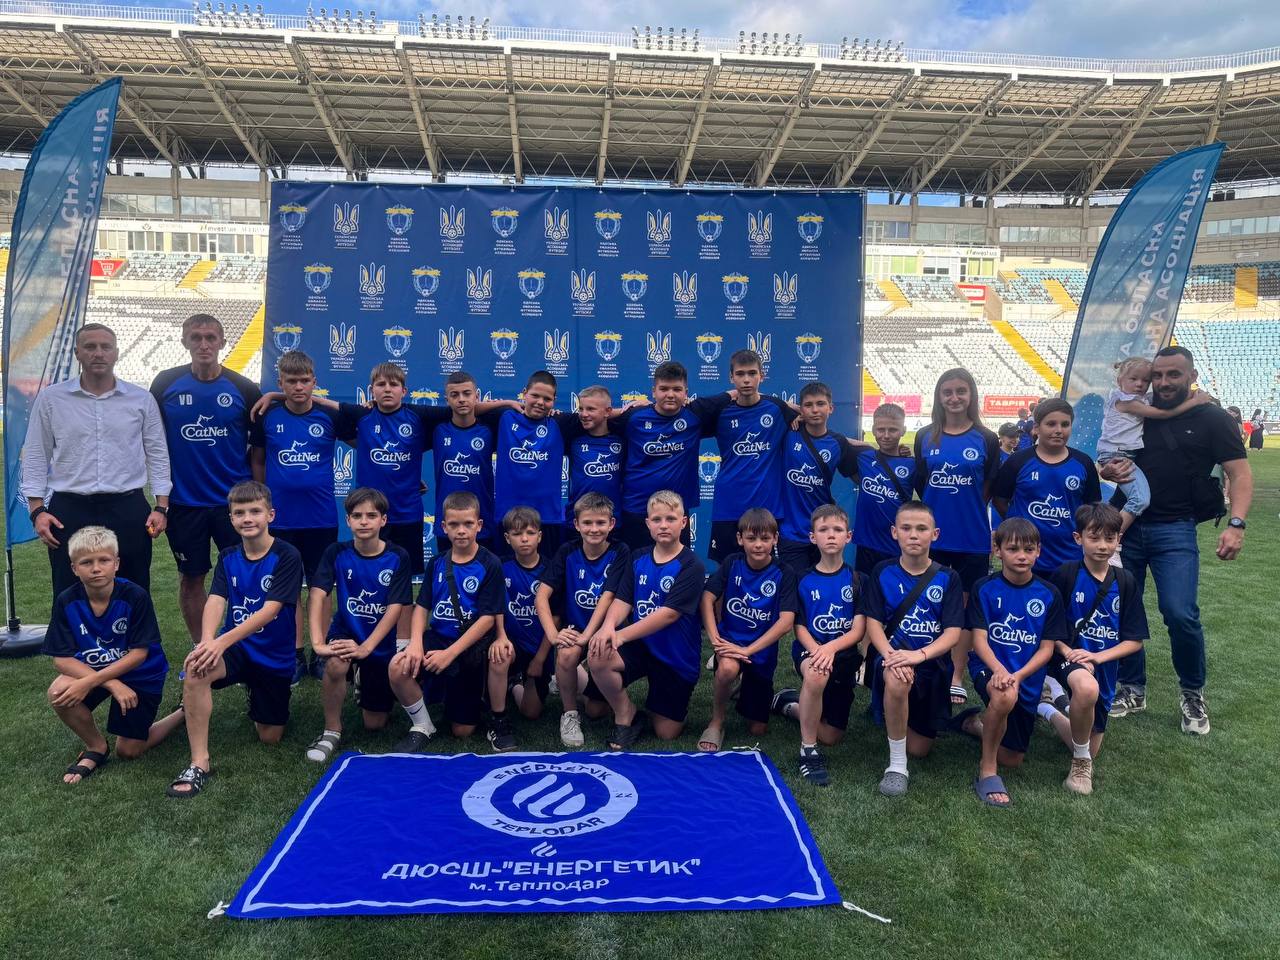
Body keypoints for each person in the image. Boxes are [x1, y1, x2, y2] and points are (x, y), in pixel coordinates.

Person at [1099, 347, 1253, 735]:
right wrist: (1108, 470)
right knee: (1122, 609)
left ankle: (1192, 692)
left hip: (1175, 528)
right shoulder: (1138, 405)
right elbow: (1110, 454)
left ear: (1192, 376)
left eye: (1174, 375)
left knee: (1180, 613)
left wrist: (1236, 524)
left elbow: (1239, 472)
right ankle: (1131, 687)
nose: (1164, 382)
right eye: (1158, 375)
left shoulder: (1213, 417)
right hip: (1127, 526)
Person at [164, 481, 304, 798]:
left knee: (270, 737)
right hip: (238, 650)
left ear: (270, 515)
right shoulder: (228, 556)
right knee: (197, 669)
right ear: (231, 518)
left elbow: (270, 611)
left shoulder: (287, 555)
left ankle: (256, 690)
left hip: (274, 656)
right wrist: (207, 641)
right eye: (239, 513)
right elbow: (216, 600)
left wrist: (220, 642)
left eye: (255, 511)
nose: (247, 518)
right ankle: (199, 762)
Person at [23, 323, 171, 597]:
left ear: (116, 353)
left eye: (105, 347)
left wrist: (161, 507)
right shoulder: (52, 399)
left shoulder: (140, 399)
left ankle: (132, 629)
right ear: (77, 353)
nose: (98, 353)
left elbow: (158, 454)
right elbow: (35, 454)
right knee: (69, 592)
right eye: (90, 347)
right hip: (70, 509)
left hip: (128, 508)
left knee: (133, 590)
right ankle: (73, 629)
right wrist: (37, 510)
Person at [150, 314, 261, 643]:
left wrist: (257, 496)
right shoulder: (165, 383)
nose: (203, 344)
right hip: (185, 504)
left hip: (234, 504)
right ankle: (202, 649)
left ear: (222, 342)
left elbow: (260, 445)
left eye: (210, 337)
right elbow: (149, 437)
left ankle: (239, 645)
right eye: (196, 337)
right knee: (191, 578)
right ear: (184, 341)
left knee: (243, 576)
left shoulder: (243, 387)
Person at [43, 526, 175, 784]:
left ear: (116, 564)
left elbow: (139, 655)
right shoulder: (67, 600)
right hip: (98, 670)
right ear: (74, 568)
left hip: (141, 674)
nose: (96, 569)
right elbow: (61, 659)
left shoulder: (135, 596)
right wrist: (111, 684)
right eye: (86, 562)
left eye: (103, 560)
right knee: (58, 692)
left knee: (129, 751)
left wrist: (93, 682)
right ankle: (96, 746)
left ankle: (182, 713)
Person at [249, 350, 350, 684]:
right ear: (281, 383)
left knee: (321, 588)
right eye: (291, 381)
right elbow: (258, 460)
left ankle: (321, 650)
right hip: (281, 520)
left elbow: (365, 437)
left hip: (321, 519)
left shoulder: (329, 416)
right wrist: (261, 498)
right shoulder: (267, 417)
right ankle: (294, 654)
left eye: (304, 380)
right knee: (287, 590)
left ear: (314, 382)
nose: (298, 387)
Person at [585, 490, 706, 749]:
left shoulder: (692, 565)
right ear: (648, 523)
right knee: (598, 659)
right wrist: (607, 627)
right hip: (642, 646)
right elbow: (622, 600)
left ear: (684, 522)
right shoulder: (638, 557)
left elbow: (669, 614)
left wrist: (620, 635)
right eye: (657, 519)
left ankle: (664, 703)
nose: (664, 525)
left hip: (675, 656)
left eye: (671, 519)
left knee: (666, 732)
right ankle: (625, 713)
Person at [1041, 503, 1148, 795]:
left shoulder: (1125, 581)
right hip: (1067, 657)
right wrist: (1068, 652)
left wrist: (1097, 657)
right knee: (1087, 690)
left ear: (1119, 540)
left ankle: (1048, 708)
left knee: (1090, 746)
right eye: (1094, 537)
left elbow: (1134, 640)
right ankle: (1079, 764)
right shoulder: (1065, 574)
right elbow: (1047, 628)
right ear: (1079, 538)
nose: (1102, 545)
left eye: (1109, 538)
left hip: (1102, 663)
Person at [304, 487, 412, 763]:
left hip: (379, 640)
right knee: (335, 663)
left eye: (371, 516)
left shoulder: (398, 556)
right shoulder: (336, 552)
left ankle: (363, 677)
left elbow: (395, 608)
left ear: (383, 520)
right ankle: (331, 730)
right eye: (357, 516)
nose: (364, 521)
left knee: (374, 723)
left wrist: (366, 648)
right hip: (346, 631)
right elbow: (317, 594)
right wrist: (317, 642)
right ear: (348, 520)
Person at [863, 502, 964, 798]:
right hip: (893, 658)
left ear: (935, 534)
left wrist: (918, 656)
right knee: (898, 679)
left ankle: (901, 715)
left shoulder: (949, 577)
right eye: (906, 528)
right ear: (894, 532)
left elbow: (953, 633)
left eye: (921, 529)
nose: (914, 535)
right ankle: (897, 765)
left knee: (920, 749)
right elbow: (873, 624)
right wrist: (892, 656)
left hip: (931, 663)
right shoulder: (882, 571)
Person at [389, 491, 504, 746]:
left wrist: (449, 654)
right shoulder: (437, 562)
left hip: (470, 647)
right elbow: (422, 607)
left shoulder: (490, 563)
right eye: (454, 524)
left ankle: (466, 697)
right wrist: (415, 644)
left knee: (462, 730)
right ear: (443, 527)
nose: (461, 531)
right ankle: (423, 725)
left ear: (479, 525)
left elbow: (487, 619)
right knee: (398, 665)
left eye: (468, 524)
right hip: (438, 638)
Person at [914, 368, 1000, 708]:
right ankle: (928, 664)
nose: (954, 398)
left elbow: (988, 487)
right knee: (931, 605)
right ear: (938, 397)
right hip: (933, 540)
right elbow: (922, 484)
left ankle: (956, 676)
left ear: (971, 395)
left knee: (963, 611)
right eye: (947, 392)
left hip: (971, 539)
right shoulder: (925, 436)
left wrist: (966, 509)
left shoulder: (986, 438)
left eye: (961, 391)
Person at [966, 518, 1067, 807]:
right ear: (997, 550)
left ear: (1038, 552)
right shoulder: (984, 588)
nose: (1021, 556)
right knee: (1004, 695)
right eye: (1012, 549)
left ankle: (974, 724)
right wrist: (999, 670)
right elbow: (979, 640)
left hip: (1026, 676)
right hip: (989, 668)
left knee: (1012, 758)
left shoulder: (1049, 593)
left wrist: (1019, 675)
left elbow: (1046, 649)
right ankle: (987, 770)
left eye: (1028, 549)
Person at [770, 504, 866, 787]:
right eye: (824, 530)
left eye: (837, 529)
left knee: (832, 737)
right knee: (816, 673)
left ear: (849, 536)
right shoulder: (801, 578)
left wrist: (831, 649)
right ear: (813, 537)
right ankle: (808, 750)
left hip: (843, 654)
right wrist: (817, 650)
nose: (831, 535)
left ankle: (789, 705)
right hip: (809, 649)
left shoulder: (858, 579)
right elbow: (798, 626)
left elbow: (859, 629)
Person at [536, 492, 630, 747]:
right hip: (576, 627)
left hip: (606, 629)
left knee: (596, 711)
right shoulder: (568, 551)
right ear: (576, 524)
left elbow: (608, 597)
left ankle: (574, 680)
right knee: (566, 654)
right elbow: (541, 595)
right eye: (587, 523)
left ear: (611, 524)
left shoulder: (620, 551)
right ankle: (569, 714)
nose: (594, 529)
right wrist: (553, 636)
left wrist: (588, 636)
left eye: (600, 523)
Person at [699, 508, 796, 750]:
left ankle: (773, 697)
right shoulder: (732, 563)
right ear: (740, 539)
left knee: (757, 729)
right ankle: (716, 721)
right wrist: (716, 639)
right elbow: (707, 598)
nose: (758, 544)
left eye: (765, 538)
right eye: (751, 538)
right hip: (730, 643)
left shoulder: (784, 572)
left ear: (775, 539)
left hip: (761, 652)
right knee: (727, 669)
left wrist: (748, 650)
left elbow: (786, 622)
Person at [609, 361, 730, 550]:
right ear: (653, 392)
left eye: (677, 389)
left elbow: (735, 393)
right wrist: (622, 409)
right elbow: (598, 416)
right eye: (664, 389)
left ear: (686, 392)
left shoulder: (695, 415)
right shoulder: (634, 417)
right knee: (636, 564)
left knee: (677, 565)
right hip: (637, 509)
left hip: (676, 513)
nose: (670, 394)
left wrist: (787, 408)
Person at [1098, 357, 1211, 535]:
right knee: (1140, 499)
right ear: (1120, 381)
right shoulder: (1127, 402)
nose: (1139, 384)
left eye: (1145, 380)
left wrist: (1190, 393)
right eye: (1133, 379)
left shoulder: (1136, 398)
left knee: (1134, 497)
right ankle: (1111, 537)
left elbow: (1166, 398)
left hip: (1120, 454)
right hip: (1117, 455)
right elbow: (1163, 413)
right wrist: (1195, 401)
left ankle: (1108, 534)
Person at [991, 398, 1101, 575]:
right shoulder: (1018, 461)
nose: (1058, 430)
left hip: (1069, 558)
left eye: (1065, 424)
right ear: (1036, 428)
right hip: (1025, 558)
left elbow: (1092, 506)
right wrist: (1019, 522)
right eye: (1051, 424)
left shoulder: (1084, 463)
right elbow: (999, 500)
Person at [705, 350, 794, 563]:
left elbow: (814, 419)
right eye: (740, 374)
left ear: (762, 376)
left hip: (768, 508)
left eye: (752, 373)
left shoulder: (777, 408)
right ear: (731, 377)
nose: (746, 380)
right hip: (728, 506)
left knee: (769, 570)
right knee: (727, 569)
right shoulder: (720, 412)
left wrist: (859, 444)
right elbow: (681, 420)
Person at [777, 382, 863, 572]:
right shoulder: (788, 433)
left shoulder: (838, 443)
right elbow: (772, 402)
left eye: (820, 404)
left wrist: (884, 451)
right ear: (801, 409)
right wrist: (795, 411)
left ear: (831, 408)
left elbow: (858, 477)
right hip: (791, 533)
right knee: (794, 585)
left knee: (822, 584)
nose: (815, 410)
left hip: (823, 531)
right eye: (808, 405)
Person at [485, 507, 550, 752]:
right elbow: (495, 608)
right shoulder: (499, 567)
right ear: (507, 538)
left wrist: (540, 659)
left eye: (530, 533)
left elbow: (555, 620)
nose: (524, 539)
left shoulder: (551, 569)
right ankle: (498, 718)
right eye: (517, 534)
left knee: (531, 712)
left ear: (540, 536)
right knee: (500, 654)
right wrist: (500, 637)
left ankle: (515, 685)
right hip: (512, 645)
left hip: (540, 648)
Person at [486, 371, 569, 557]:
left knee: (547, 572)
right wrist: (507, 402)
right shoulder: (504, 417)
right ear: (524, 393)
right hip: (507, 517)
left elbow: (599, 415)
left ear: (554, 401)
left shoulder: (560, 423)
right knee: (506, 571)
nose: (540, 402)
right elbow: (469, 409)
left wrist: (633, 407)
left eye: (547, 399)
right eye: (535, 396)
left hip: (547, 518)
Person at [427, 371, 498, 553]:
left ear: (477, 396)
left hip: (482, 521)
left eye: (467, 393)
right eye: (454, 395)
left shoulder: (490, 430)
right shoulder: (436, 430)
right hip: (448, 523)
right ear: (447, 400)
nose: (461, 399)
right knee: (448, 570)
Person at [850, 402, 917, 577]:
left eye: (893, 430)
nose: (886, 435)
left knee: (893, 591)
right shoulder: (864, 457)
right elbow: (838, 440)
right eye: (880, 430)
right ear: (873, 429)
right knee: (864, 590)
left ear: (903, 430)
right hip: (866, 544)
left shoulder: (912, 464)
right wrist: (866, 445)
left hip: (896, 546)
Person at [563, 385, 624, 518]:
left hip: (612, 518)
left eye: (590, 409)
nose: (584, 414)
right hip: (578, 519)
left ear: (608, 412)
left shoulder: (622, 440)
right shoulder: (572, 440)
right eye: (581, 409)